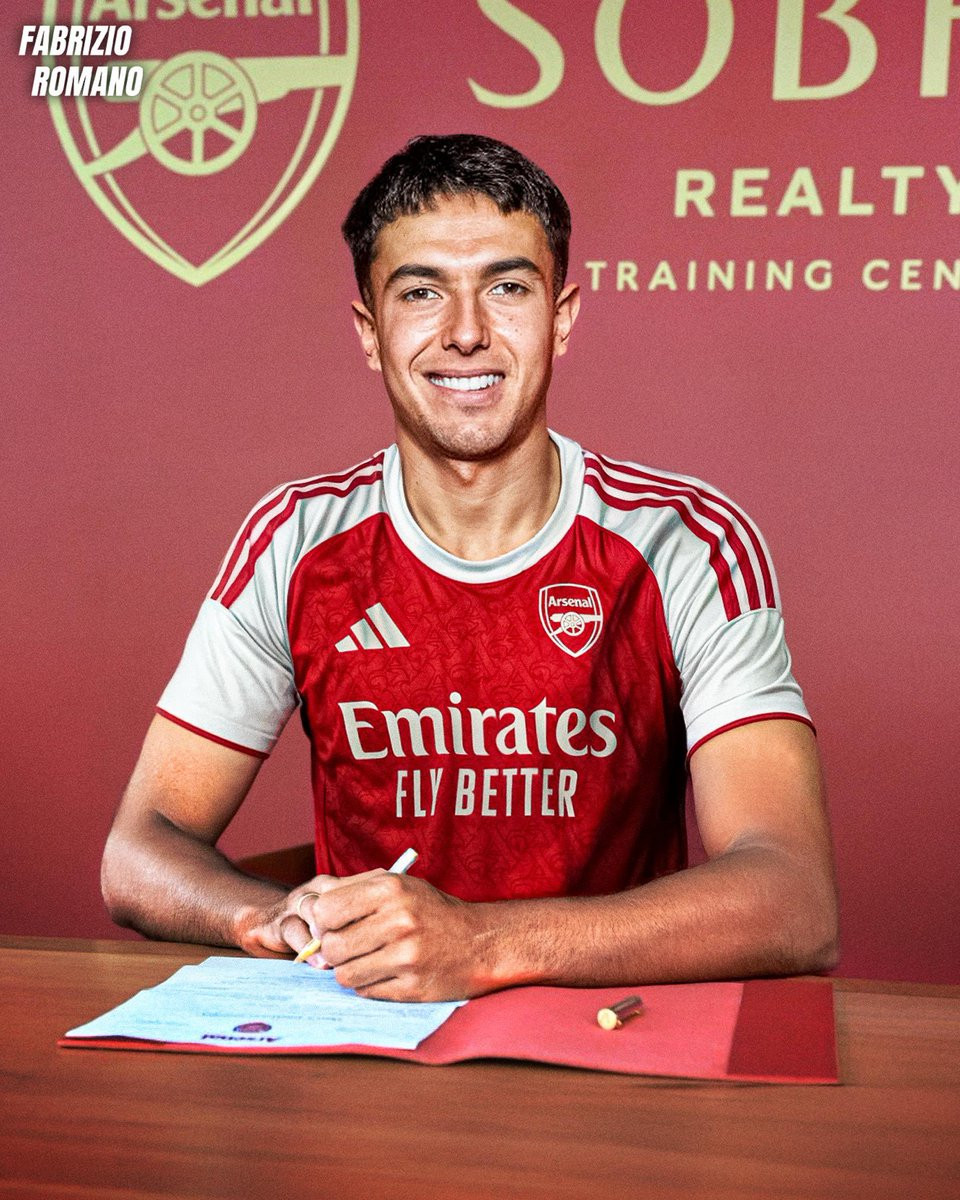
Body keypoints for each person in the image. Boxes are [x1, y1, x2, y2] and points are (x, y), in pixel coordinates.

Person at [102, 134, 838, 1001]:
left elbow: (795, 898)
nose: (464, 333)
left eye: (507, 287)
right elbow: (139, 853)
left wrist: (480, 943)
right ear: (370, 332)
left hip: (608, 1029)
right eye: (421, 292)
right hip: (369, 1031)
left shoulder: (687, 542)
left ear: (561, 317)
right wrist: (267, 917)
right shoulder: (296, 542)